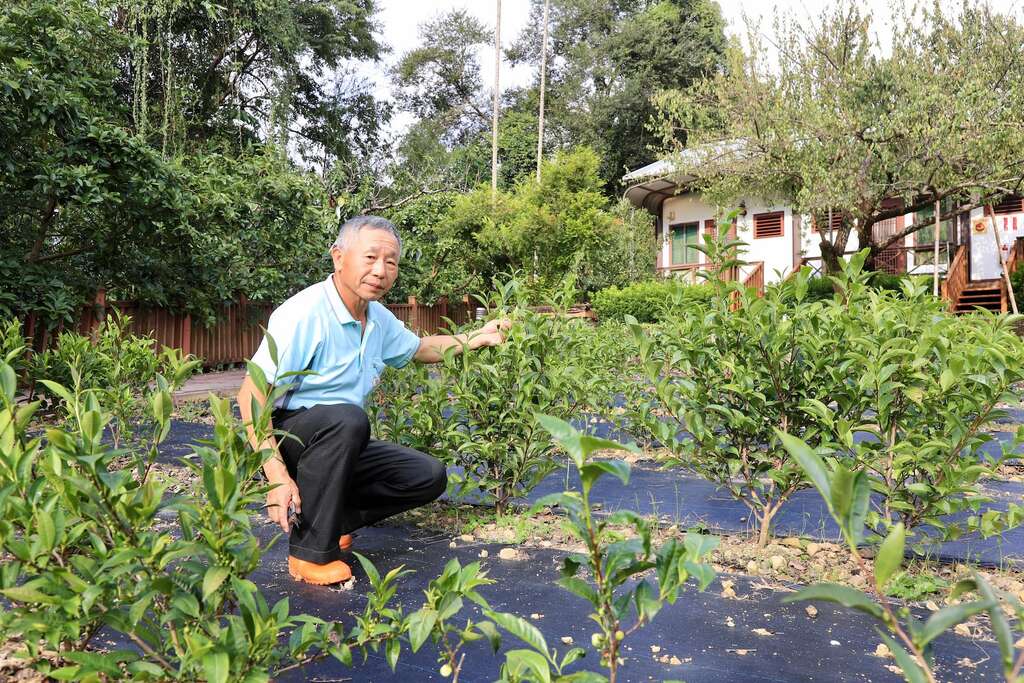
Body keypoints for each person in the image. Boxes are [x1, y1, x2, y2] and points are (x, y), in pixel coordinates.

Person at [237, 215, 509, 585]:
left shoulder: (376, 318)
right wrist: (277, 477)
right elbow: (250, 395)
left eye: (391, 261)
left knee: (427, 476)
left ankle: (330, 521)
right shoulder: (304, 314)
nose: (381, 270)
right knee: (349, 420)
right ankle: (307, 555)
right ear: (338, 258)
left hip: (339, 438)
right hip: (288, 437)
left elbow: (421, 348)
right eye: (370, 258)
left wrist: (475, 338)